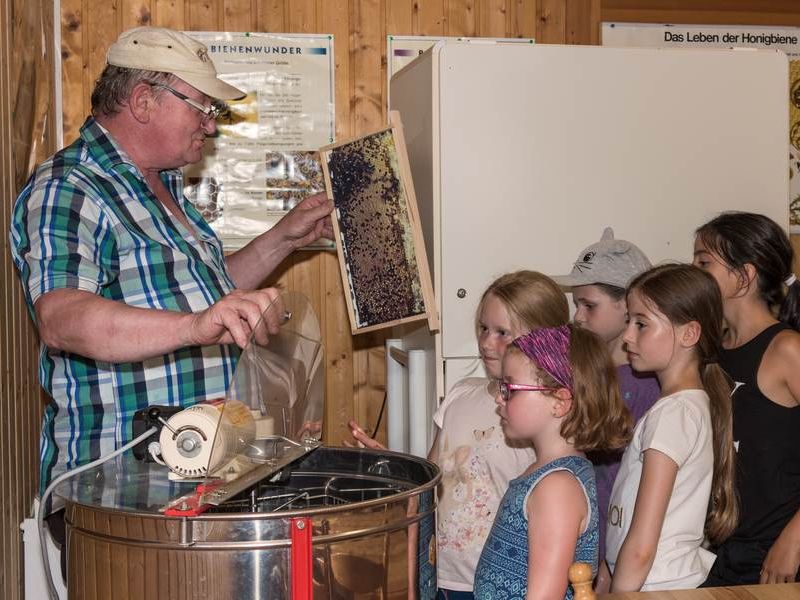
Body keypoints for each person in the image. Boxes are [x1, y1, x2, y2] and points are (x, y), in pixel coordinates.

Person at [9, 26, 333, 497]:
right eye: (202, 109)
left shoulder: (164, 186)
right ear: (143, 101)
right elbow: (61, 318)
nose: (211, 125)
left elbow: (209, 292)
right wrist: (194, 326)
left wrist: (284, 238)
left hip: (197, 480)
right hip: (121, 491)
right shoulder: (72, 186)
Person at [349, 270, 569, 599]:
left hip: (498, 587)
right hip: (441, 575)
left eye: (502, 333)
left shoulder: (538, 417)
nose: (485, 342)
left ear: (542, 340)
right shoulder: (460, 393)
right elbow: (430, 476)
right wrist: (390, 466)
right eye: (483, 328)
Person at [603, 264, 738, 592]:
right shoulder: (683, 406)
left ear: (689, 334)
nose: (627, 337)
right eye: (628, 322)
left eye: (642, 324)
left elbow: (643, 544)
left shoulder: (673, 414)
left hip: (655, 584)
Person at [473, 324, 632, 600]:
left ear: (559, 402)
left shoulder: (557, 487)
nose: (499, 398)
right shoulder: (545, 474)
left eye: (510, 388)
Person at [693, 212, 800, 586]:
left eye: (704, 263)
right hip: (724, 551)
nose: (694, 273)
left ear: (744, 276)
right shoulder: (711, 349)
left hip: (777, 554)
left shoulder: (787, 349)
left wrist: (793, 540)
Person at [551, 226, 660, 568]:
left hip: (620, 547)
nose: (578, 317)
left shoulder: (647, 385)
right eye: (576, 305)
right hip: (580, 537)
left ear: (628, 304)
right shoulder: (580, 368)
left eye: (589, 305)